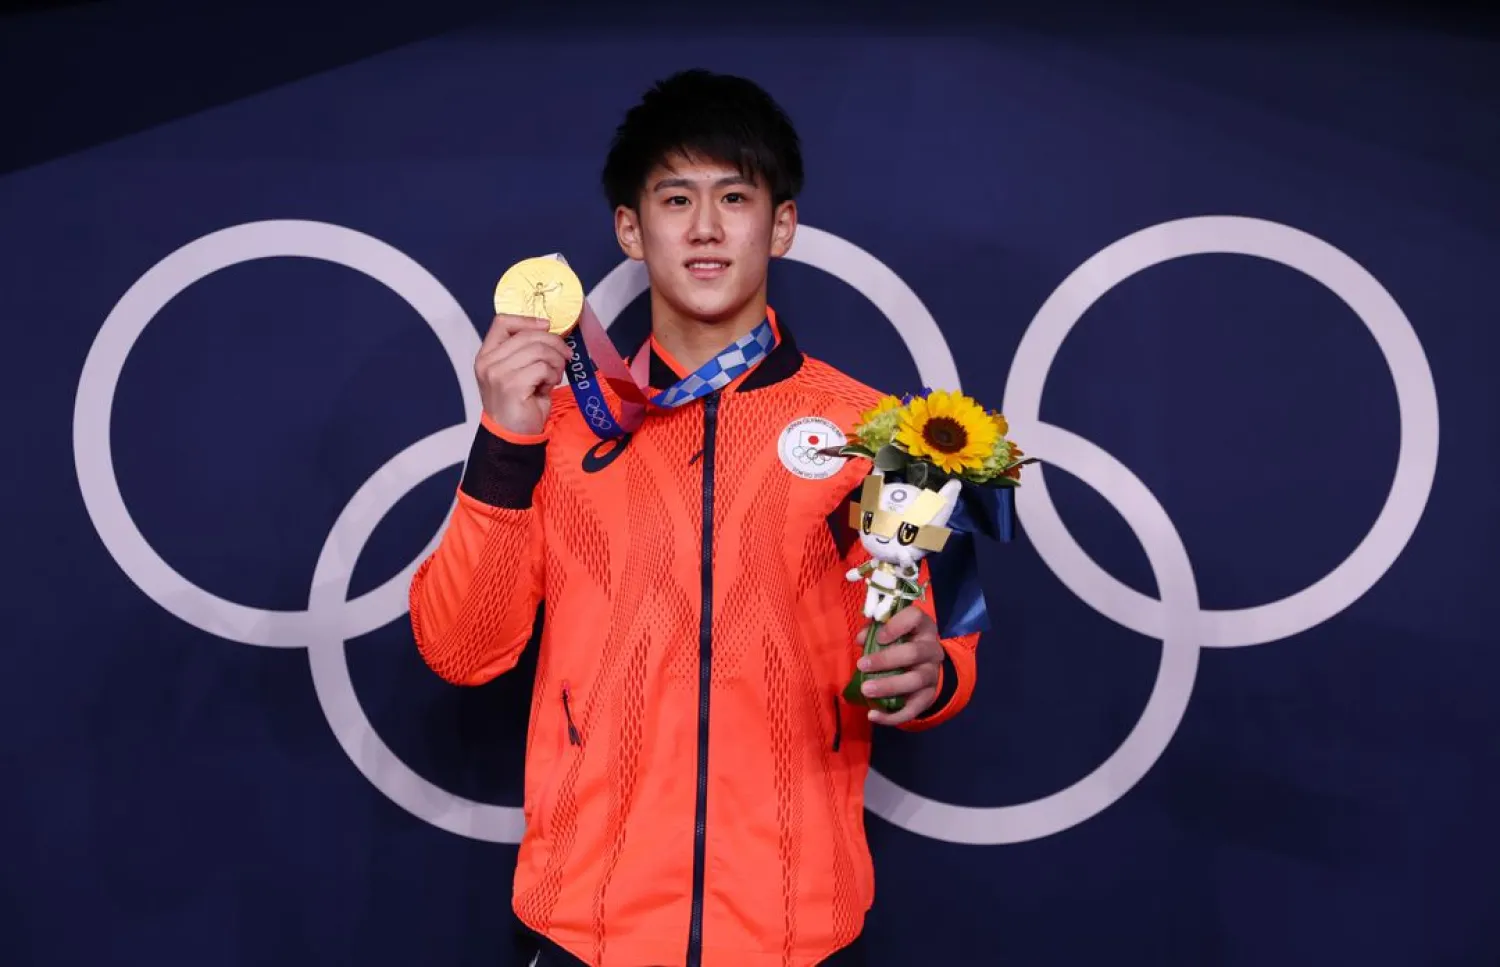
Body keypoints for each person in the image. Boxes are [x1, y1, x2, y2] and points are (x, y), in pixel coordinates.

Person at [408, 68, 981, 967]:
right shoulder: (558, 428)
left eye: (734, 197)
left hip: (799, 933)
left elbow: (936, 649)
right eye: (676, 198)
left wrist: (932, 674)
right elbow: (461, 648)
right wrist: (504, 442)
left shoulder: (882, 434)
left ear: (781, 224)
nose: (707, 228)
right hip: (589, 929)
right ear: (631, 229)